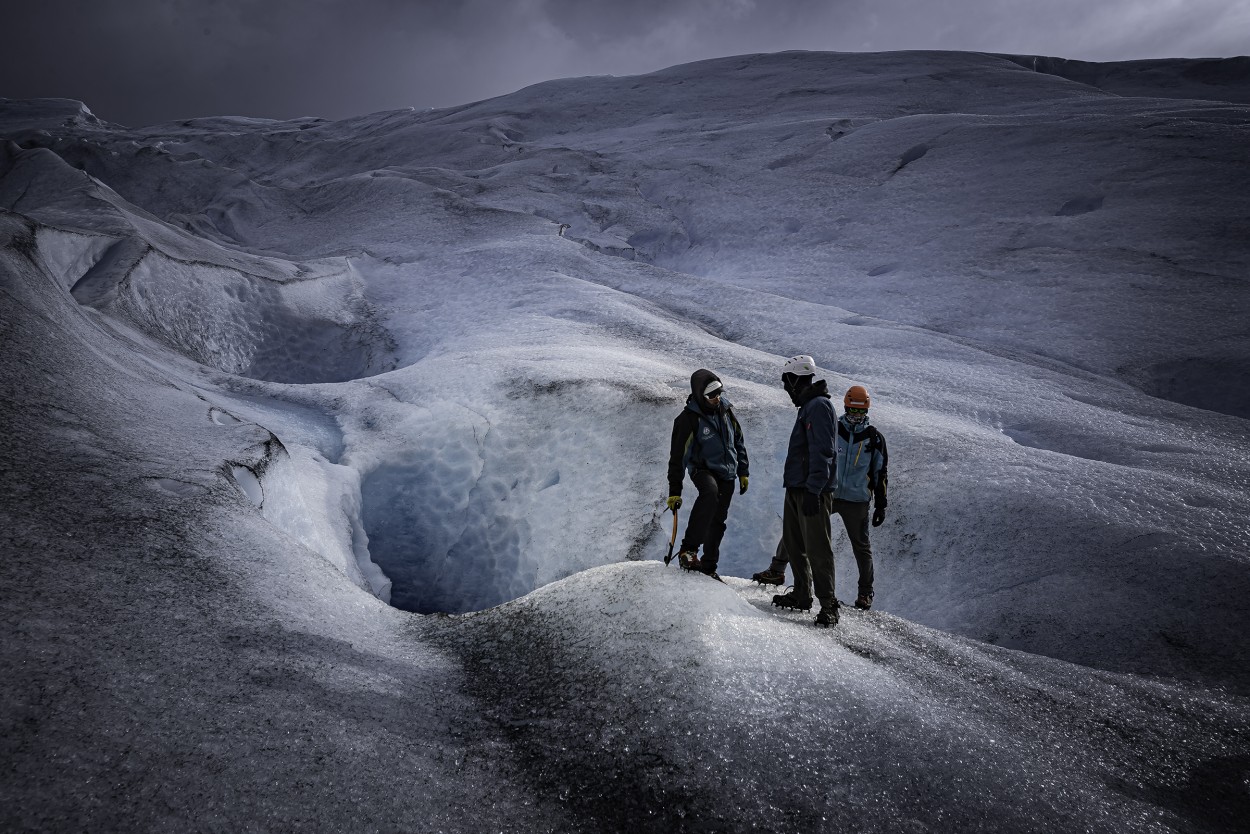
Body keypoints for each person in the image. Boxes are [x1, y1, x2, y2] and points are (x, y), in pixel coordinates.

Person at [771, 355, 840, 626]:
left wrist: (814, 490)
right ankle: (802, 594)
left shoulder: (819, 406)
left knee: (818, 548)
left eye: (788, 384)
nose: (787, 390)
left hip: (812, 490)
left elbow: (824, 451)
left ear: (797, 379)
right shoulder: (808, 406)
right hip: (798, 487)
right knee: (795, 541)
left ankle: (829, 604)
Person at [666, 369, 749, 580]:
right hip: (702, 469)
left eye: (719, 392)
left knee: (718, 521)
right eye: (711, 395)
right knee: (709, 494)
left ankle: (709, 566)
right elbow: (678, 457)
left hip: (727, 472)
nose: (716, 398)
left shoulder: (726, 410)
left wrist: (743, 471)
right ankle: (688, 550)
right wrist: (675, 490)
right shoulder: (688, 419)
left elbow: (738, 439)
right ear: (699, 394)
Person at [832, 385, 889, 610]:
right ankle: (778, 569)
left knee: (861, 547)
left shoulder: (874, 438)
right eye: (852, 411)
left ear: (866, 411)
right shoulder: (833, 429)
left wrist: (881, 505)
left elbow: (880, 473)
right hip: (829, 493)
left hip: (857, 501)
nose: (856, 416)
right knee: (799, 526)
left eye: (860, 412)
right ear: (846, 407)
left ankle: (865, 593)